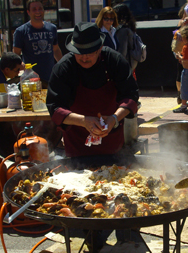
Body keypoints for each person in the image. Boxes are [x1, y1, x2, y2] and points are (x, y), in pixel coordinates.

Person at [46, 22, 139, 158]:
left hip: (111, 138)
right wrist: (83, 121)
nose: (84, 57)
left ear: (100, 48)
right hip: (77, 141)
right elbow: (55, 108)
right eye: (79, 52)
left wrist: (114, 118)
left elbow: (131, 96)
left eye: (89, 53)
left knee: (115, 174)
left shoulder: (114, 61)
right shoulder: (63, 68)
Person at [13, 0, 63, 87]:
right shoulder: (21, 31)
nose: (38, 12)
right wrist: (24, 67)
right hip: (31, 79)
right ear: (28, 12)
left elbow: (55, 49)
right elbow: (16, 55)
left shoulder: (52, 28)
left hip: (50, 77)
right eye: (34, 9)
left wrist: (63, 65)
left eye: (40, 8)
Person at [113, 3, 137, 77]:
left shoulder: (122, 31)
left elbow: (122, 52)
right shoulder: (130, 27)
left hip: (124, 67)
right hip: (131, 64)